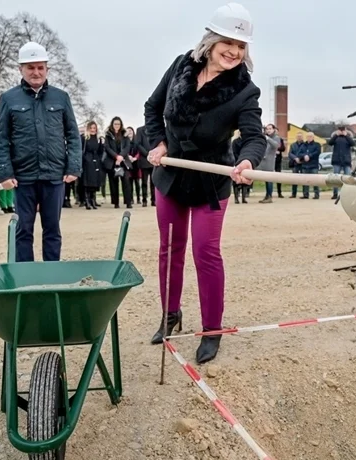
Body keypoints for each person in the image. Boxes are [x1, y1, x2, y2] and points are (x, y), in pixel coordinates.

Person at [144, 2, 265, 364]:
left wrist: (247, 160)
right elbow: (153, 107)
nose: (234, 51)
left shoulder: (245, 90)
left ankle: (212, 330)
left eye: (241, 45)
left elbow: (255, 137)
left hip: (211, 181)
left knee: (206, 253)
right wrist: (158, 142)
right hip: (171, 176)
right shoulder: (183, 65)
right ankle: (171, 313)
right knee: (170, 249)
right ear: (211, 41)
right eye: (228, 41)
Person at [0, 41, 81, 262]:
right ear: (21, 69)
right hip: (23, 177)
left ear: (47, 69)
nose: (36, 72)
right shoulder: (9, 99)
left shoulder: (61, 98)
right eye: (30, 67)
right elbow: (2, 139)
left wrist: (73, 166)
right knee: (23, 229)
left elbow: (72, 134)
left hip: (54, 175)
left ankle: (51, 274)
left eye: (40, 67)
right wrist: (5, 173)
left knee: (52, 229)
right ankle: (25, 277)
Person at [104, 117, 133, 209]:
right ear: (112, 124)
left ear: (121, 125)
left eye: (118, 124)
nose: (117, 125)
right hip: (112, 161)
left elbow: (127, 147)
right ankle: (116, 203)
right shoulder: (108, 135)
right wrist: (116, 157)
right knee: (113, 183)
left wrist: (120, 156)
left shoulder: (125, 135)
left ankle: (128, 202)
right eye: (115, 124)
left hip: (124, 161)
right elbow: (107, 147)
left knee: (126, 182)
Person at [80, 121, 104, 210]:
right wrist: (85, 159)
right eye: (91, 128)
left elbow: (101, 151)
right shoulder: (84, 138)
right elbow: (82, 150)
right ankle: (87, 201)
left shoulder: (98, 138)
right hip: (87, 161)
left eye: (94, 128)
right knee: (87, 182)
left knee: (94, 182)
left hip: (96, 161)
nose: (93, 130)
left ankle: (93, 200)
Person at [328, 125, 355, 200]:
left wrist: (346, 135)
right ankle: (335, 194)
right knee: (335, 178)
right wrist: (336, 135)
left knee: (347, 178)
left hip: (346, 160)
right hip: (337, 160)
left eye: (343, 130)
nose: (342, 131)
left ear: (345, 130)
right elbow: (330, 143)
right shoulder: (335, 137)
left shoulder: (348, 137)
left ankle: (347, 193)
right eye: (340, 130)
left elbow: (352, 143)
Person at [257, 123, 281, 203]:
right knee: (266, 179)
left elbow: (276, 145)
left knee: (269, 179)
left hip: (270, 161)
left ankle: (270, 196)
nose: (268, 130)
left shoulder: (276, 138)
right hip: (263, 161)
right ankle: (267, 195)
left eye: (270, 129)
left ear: (274, 129)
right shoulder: (264, 138)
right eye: (267, 129)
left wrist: (267, 138)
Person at [134, 124, 155, 206]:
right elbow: (138, 144)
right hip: (144, 159)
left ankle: (154, 200)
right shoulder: (139, 130)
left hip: (154, 159)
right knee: (144, 182)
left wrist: (153, 154)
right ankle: (144, 200)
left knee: (153, 182)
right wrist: (147, 154)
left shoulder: (154, 128)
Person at [299, 132, 321, 199]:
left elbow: (317, 152)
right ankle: (305, 194)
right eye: (308, 136)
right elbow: (299, 153)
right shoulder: (303, 145)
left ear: (313, 137)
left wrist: (309, 156)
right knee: (305, 181)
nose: (309, 138)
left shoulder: (317, 145)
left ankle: (316, 194)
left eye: (310, 136)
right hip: (305, 165)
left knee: (315, 181)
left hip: (313, 165)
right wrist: (304, 156)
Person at [288, 131, 304, 198]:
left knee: (304, 179)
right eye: (298, 136)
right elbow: (290, 153)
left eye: (300, 136)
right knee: (294, 180)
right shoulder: (293, 145)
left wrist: (300, 159)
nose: (299, 137)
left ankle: (305, 194)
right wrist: (295, 158)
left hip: (303, 164)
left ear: (302, 137)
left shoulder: (305, 144)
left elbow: (305, 152)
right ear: (296, 137)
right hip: (295, 164)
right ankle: (293, 194)